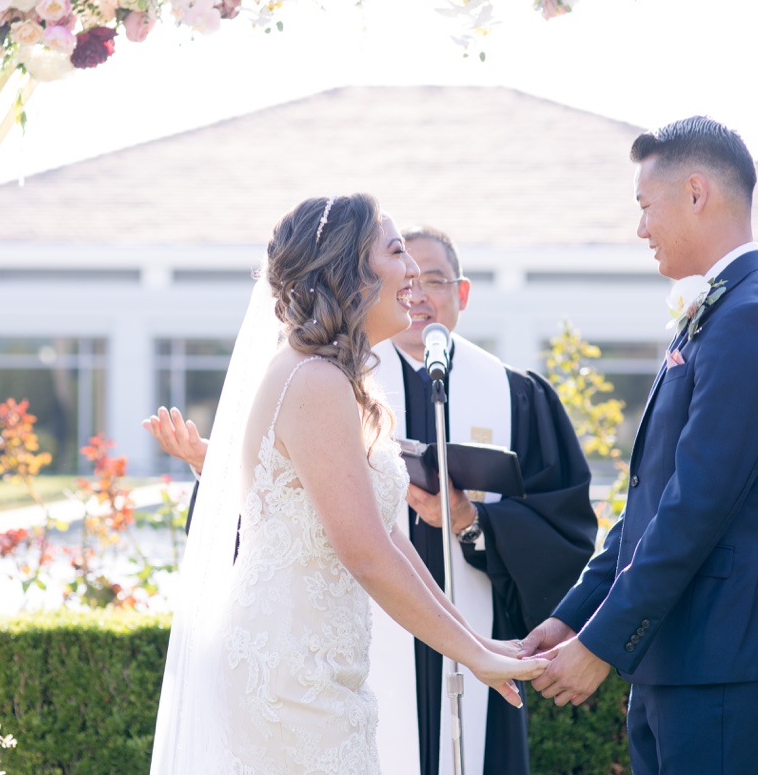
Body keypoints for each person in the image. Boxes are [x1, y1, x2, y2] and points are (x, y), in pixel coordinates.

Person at [146, 226, 598, 775]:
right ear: (351, 272)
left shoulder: (357, 379)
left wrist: (475, 642)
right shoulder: (315, 380)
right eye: (395, 252)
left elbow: (384, 537)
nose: (411, 273)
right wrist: (475, 652)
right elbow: (367, 549)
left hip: (325, 664)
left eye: (430, 273)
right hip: (297, 669)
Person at [521, 117, 758, 775]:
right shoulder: (719, 312)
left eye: (644, 206)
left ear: (695, 192)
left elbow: (696, 507)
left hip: (722, 655)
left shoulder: (755, 319)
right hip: (681, 656)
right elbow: (652, 502)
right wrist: (576, 618)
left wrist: (602, 643)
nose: (640, 228)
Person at [368, 226, 597, 775]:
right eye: (407, 282)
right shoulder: (346, 384)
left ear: (463, 294)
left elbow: (563, 531)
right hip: (369, 640)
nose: (419, 295)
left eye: (436, 282)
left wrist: (474, 521)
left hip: (478, 635)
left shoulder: (514, 394)